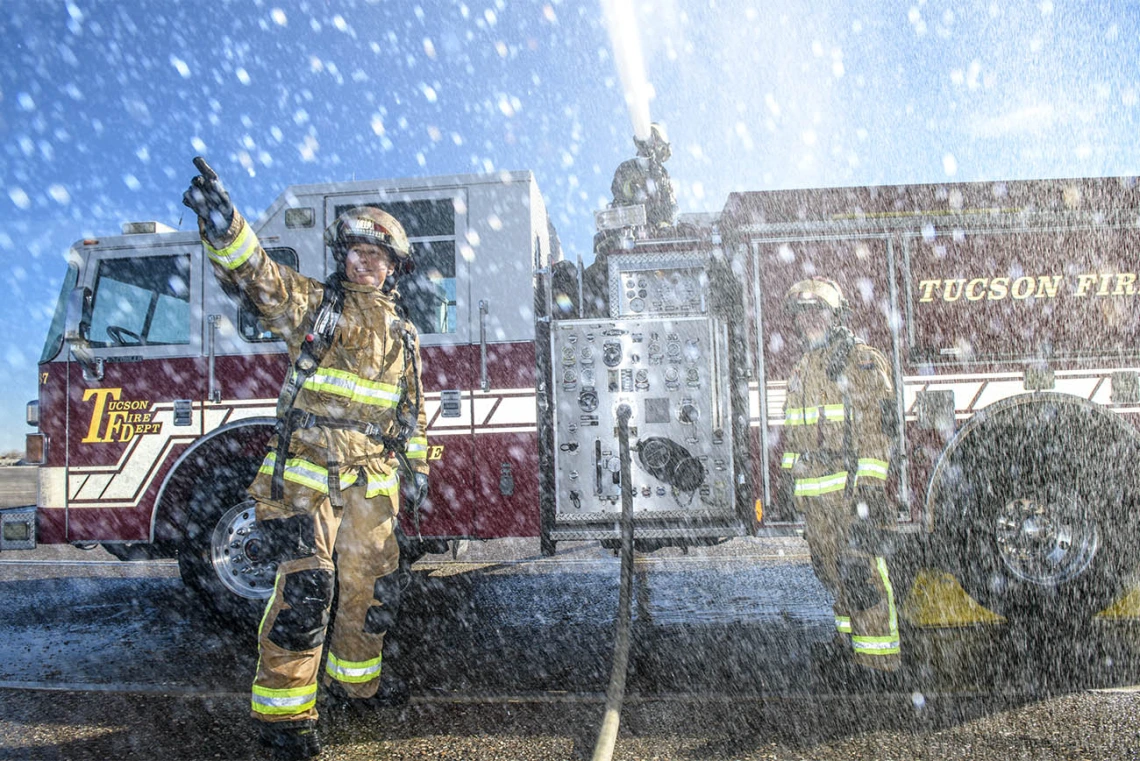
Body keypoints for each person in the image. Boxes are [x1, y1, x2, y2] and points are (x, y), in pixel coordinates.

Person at [183, 157, 430, 760]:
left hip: (372, 489)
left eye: (378, 256)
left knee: (370, 593)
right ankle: (284, 719)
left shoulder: (405, 336)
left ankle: (357, 687)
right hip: (305, 482)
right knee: (305, 595)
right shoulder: (315, 308)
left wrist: (416, 468)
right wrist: (226, 227)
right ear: (343, 257)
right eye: (356, 252)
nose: (365, 262)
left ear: (394, 268)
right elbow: (258, 277)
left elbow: (410, 414)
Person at [778, 277, 901, 685]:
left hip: (849, 493)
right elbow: (796, 431)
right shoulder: (802, 368)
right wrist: (787, 480)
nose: (811, 318)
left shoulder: (860, 361)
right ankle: (851, 645)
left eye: (819, 311)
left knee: (861, 574)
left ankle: (879, 664)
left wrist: (869, 488)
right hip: (815, 497)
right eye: (804, 312)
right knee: (830, 571)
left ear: (836, 316)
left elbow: (877, 428)